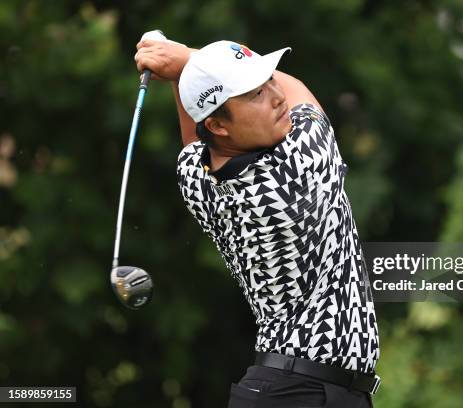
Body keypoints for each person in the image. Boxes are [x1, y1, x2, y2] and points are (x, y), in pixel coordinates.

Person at [135, 37, 381, 408]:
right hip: (309, 392)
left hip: (280, 388)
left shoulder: (197, 180)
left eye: (267, 81)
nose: (276, 95)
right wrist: (185, 57)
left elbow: (194, 143)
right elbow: (299, 91)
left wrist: (182, 72)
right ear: (219, 125)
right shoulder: (296, 171)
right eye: (254, 94)